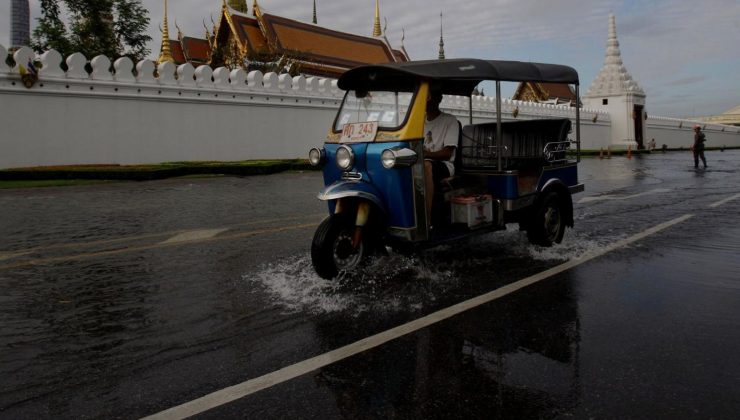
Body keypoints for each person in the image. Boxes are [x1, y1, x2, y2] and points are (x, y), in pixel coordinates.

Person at [423, 87, 458, 224]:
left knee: (426, 166)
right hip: (422, 161)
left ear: (438, 99)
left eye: (428, 97)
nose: (426, 101)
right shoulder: (418, 122)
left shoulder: (450, 121)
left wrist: (426, 153)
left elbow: (447, 153)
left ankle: (426, 220)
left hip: (445, 165)